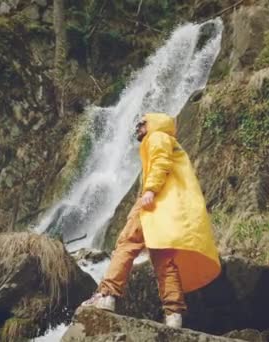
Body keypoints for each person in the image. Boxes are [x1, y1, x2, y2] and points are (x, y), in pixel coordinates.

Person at [81, 112, 221, 329]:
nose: (137, 127)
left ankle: (106, 295)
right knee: (165, 260)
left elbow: (160, 162)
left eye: (141, 123)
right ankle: (174, 315)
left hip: (154, 205)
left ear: (153, 123)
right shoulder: (169, 141)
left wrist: (150, 190)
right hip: (167, 209)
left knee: (127, 243)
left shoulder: (157, 137)